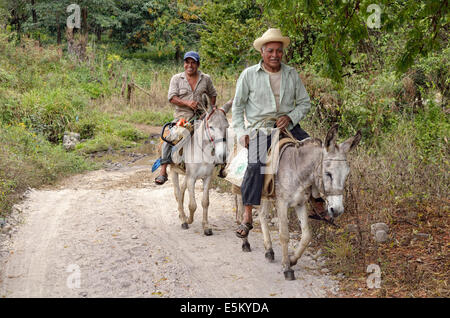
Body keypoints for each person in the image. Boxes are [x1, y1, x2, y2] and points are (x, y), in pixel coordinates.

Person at [232, 28, 325, 238]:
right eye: (271, 51)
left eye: (279, 51)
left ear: (283, 53)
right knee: (255, 164)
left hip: (289, 127)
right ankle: (247, 215)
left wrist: (291, 117)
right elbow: (238, 107)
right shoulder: (248, 75)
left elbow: (304, 103)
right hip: (261, 129)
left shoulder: (291, 74)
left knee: (317, 154)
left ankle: (318, 202)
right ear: (262, 52)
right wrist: (241, 132)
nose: (275, 55)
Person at [155, 51, 218, 185]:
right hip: (182, 118)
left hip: (201, 117)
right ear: (184, 64)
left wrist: (211, 109)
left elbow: (213, 94)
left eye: (193, 63)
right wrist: (187, 103)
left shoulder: (205, 78)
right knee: (169, 138)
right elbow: (171, 98)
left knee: (217, 135)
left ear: (198, 64)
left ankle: (220, 166)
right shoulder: (176, 79)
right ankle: (163, 170)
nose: (190, 65)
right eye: (187, 62)